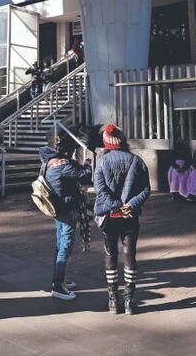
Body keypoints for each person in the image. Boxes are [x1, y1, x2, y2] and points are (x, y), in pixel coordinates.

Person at [93, 124, 150, 315]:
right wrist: (129, 205)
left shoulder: (101, 162)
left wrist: (116, 206)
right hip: (130, 217)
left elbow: (101, 190)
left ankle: (112, 300)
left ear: (106, 142)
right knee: (129, 256)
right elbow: (145, 190)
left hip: (109, 217)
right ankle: (129, 301)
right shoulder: (137, 160)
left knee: (110, 255)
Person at [38, 131, 92, 301]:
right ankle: (58, 286)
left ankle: (58, 279)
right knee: (65, 246)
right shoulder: (64, 165)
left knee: (59, 244)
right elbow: (85, 176)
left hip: (57, 209)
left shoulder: (48, 162)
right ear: (68, 151)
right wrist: (87, 162)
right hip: (67, 209)